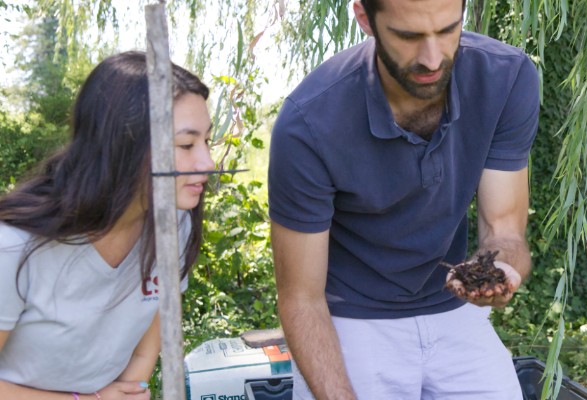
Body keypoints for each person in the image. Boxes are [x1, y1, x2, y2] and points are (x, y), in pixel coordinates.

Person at [268, 0, 539, 398]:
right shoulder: (309, 123)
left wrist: (500, 269)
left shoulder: (506, 77)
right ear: (365, 19)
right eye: (409, 36)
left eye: (448, 30)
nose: (432, 59)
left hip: (451, 308)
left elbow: (504, 230)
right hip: (350, 318)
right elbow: (301, 298)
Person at [0, 51, 215, 400]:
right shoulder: (13, 247)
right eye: (186, 144)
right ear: (123, 144)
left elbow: (146, 350)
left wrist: (131, 390)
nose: (207, 162)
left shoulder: (173, 226)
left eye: (207, 141)